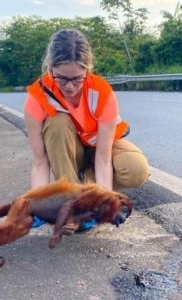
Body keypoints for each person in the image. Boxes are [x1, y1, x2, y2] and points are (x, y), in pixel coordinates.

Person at [24, 28, 149, 191]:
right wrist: (36, 206)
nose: (69, 86)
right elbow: (40, 163)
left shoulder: (102, 93)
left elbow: (104, 160)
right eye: (61, 78)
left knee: (135, 169)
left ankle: (82, 189)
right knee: (57, 122)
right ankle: (70, 194)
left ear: (87, 70)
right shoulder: (37, 97)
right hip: (67, 154)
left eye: (77, 79)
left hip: (98, 150)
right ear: (50, 68)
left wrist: (104, 203)